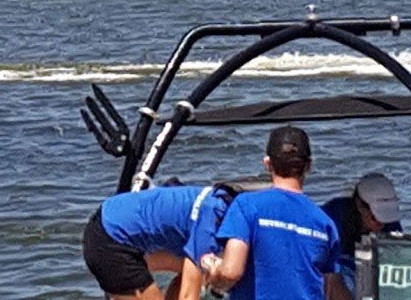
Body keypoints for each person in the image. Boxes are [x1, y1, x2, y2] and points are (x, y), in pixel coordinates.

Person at [203, 125, 349, 300]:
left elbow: (231, 272)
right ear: (308, 166)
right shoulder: (324, 223)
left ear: (267, 164)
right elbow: (331, 289)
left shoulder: (246, 206)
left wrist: (214, 271)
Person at [82, 183, 233, 300]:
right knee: (201, 268)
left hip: (115, 219)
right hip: (110, 241)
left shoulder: (219, 202)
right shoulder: (210, 226)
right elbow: (188, 297)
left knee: (198, 269)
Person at [321, 173, 402, 294]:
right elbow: (326, 274)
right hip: (334, 270)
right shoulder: (333, 218)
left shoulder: (392, 226)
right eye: (375, 217)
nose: (381, 223)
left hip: (366, 272)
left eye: (386, 218)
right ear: (360, 205)